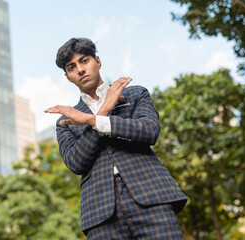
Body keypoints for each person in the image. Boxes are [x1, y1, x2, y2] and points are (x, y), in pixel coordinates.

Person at [45, 38, 187, 239]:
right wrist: (100, 114)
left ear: (98, 61)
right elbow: (76, 163)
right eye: (72, 67)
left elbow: (149, 131)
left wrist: (92, 121)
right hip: (100, 214)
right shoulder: (66, 121)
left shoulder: (135, 94)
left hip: (152, 198)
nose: (80, 69)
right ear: (68, 77)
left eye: (84, 61)